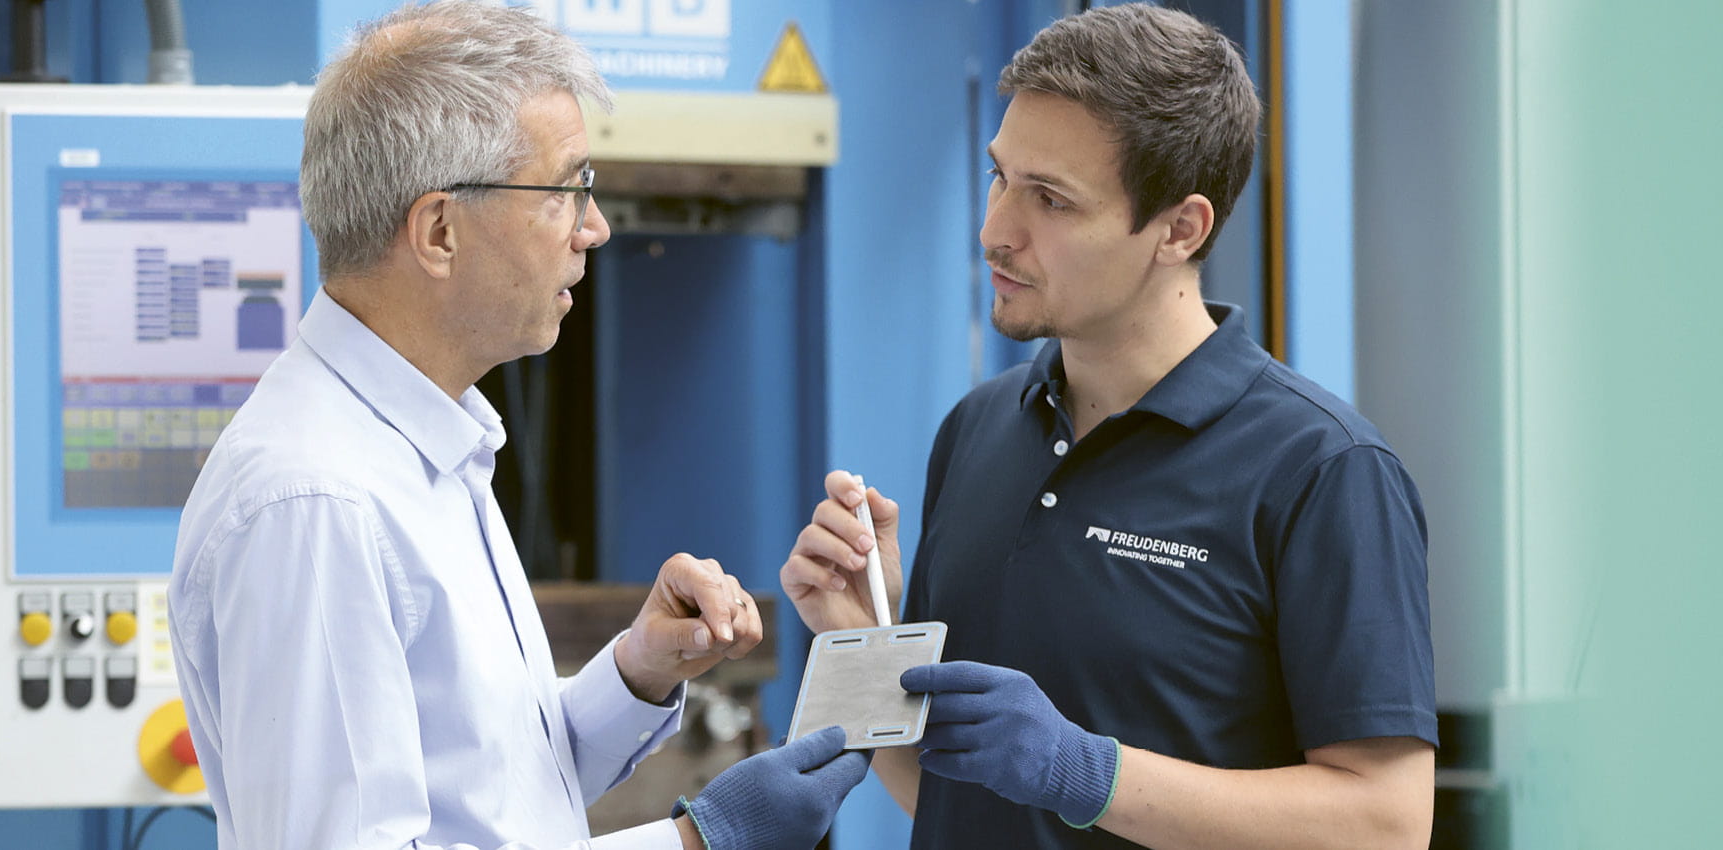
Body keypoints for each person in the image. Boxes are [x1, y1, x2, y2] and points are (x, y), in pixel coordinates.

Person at [167, 4, 866, 849]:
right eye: (567, 189)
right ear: (438, 232)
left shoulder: (431, 444)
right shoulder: (315, 500)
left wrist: (637, 672)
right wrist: (697, 842)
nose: (593, 228)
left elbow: (493, 790)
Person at [781, 6, 1435, 849]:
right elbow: (953, 792)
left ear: (1180, 228)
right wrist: (862, 638)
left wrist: (1089, 773)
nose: (996, 232)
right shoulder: (978, 429)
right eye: (1000, 177)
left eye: (1051, 199)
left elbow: (1384, 824)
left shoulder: (1322, 470)